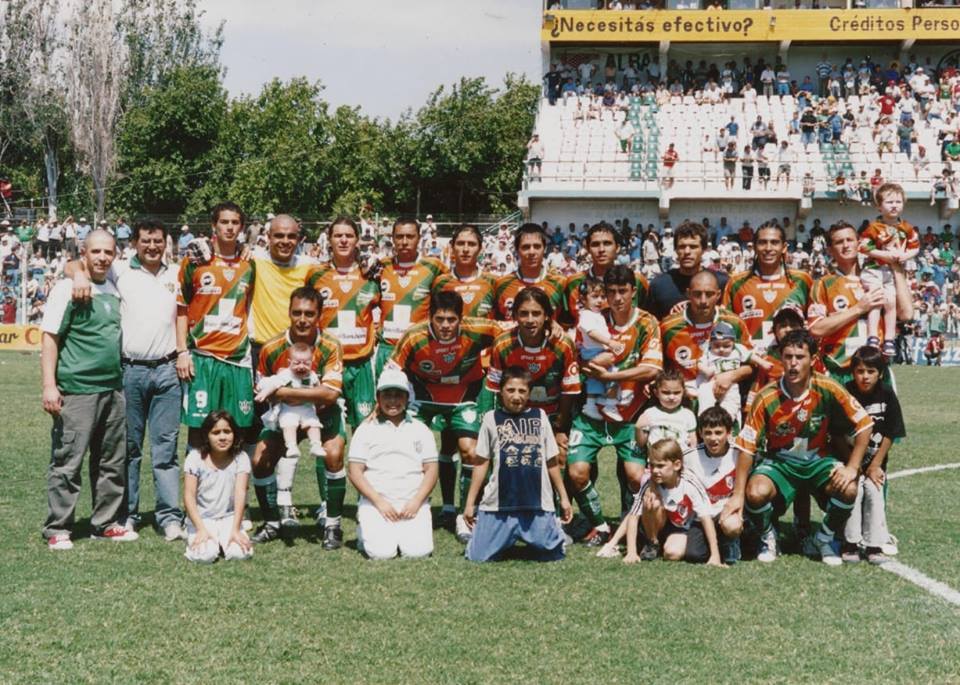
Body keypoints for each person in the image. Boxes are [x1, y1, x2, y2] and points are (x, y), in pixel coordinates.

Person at [65, 218, 185, 540]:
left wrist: (184, 351)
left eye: (158, 240)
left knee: (166, 449)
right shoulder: (120, 270)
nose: (152, 246)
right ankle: (127, 514)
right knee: (128, 450)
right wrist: (77, 273)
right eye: (145, 240)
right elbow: (76, 262)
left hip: (167, 371)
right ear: (134, 242)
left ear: (166, 242)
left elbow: (184, 313)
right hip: (130, 371)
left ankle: (169, 516)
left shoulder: (175, 274)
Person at [723, 330, 874, 566]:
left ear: (813, 359)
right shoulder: (766, 397)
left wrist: (852, 467)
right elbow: (747, 447)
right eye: (788, 356)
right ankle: (768, 536)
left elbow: (864, 424)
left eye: (800, 357)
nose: (793, 363)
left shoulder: (828, 387)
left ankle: (823, 539)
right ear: (781, 358)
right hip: (780, 463)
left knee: (849, 488)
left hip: (818, 461)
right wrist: (738, 495)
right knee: (755, 492)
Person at [41, 230, 137, 549]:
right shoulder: (68, 288)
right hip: (77, 389)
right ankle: (59, 527)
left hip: (112, 388)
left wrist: (80, 270)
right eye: (95, 252)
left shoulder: (114, 283)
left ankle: (105, 522)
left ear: (115, 255)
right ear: (84, 252)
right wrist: (49, 385)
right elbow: (50, 337)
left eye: (108, 252)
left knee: (111, 461)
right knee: (69, 459)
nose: (102, 258)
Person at [389, 290, 500, 543]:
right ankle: (413, 509)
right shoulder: (413, 336)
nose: (446, 326)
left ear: (462, 319)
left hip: (464, 395)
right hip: (425, 396)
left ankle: (466, 513)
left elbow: (515, 331)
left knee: (470, 451)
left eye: (452, 319)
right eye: (440, 319)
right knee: (409, 448)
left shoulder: (479, 329)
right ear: (430, 317)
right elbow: (392, 370)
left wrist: (554, 328)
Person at [566, 266, 662, 544]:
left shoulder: (647, 322)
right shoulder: (595, 319)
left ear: (634, 291)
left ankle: (638, 528)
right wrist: (588, 366)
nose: (617, 298)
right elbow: (575, 355)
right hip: (592, 414)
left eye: (623, 291)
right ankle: (600, 526)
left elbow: (652, 369)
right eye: (611, 292)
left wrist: (611, 376)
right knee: (577, 472)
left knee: (635, 476)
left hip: (630, 415)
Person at [250, 288, 344, 546]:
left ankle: (333, 525)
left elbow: (330, 396)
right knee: (259, 459)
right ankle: (272, 523)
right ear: (289, 313)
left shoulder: (331, 345)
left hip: (321, 415)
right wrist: (302, 394)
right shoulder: (271, 347)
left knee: (334, 453)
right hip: (284, 415)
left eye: (309, 314)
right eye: (297, 313)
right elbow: (262, 391)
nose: (303, 319)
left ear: (319, 315)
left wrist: (286, 391)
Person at [484, 288, 580, 525]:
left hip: (554, 414)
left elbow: (569, 391)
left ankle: (558, 515)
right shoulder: (503, 344)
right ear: (515, 315)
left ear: (547, 315)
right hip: (515, 416)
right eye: (523, 313)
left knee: (560, 457)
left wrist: (560, 427)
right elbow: (494, 390)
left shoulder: (563, 345)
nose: (530, 320)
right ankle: (499, 510)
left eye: (536, 313)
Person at [463, 366, 573, 562]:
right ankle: (500, 536)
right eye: (510, 390)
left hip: (536, 503)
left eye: (522, 391)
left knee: (553, 554)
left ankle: (552, 532)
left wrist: (563, 498)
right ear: (501, 391)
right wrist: (470, 503)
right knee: (477, 557)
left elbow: (551, 461)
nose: (516, 396)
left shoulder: (540, 417)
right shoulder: (491, 419)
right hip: (499, 504)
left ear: (529, 393)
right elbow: (481, 463)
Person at [177, 202, 256, 452]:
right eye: (224, 222)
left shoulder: (249, 264)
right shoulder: (195, 261)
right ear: (214, 225)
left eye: (235, 222)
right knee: (199, 433)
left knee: (237, 433)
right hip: (203, 358)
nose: (229, 227)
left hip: (237, 360)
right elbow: (181, 309)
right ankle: (195, 491)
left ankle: (235, 491)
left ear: (241, 227)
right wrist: (182, 352)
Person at [348, 368, 438, 560]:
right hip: (377, 503)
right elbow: (355, 471)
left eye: (398, 395)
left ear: (407, 398)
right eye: (387, 395)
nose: (393, 401)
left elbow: (431, 470)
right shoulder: (365, 429)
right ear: (378, 398)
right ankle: (364, 530)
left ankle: (399, 532)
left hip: (412, 503)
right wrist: (379, 502)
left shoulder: (421, 429)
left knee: (418, 553)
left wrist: (416, 502)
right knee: (382, 554)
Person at [809, 222, 912, 383]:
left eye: (850, 240)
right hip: (840, 372)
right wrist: (858, 309)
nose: (846, 245)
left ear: (859, 243)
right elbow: (816, 329)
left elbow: (906, 314)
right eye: (839, 242)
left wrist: (895, 267)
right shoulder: (824, 284)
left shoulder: (880, 277)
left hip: (876, 372)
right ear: (829, 250)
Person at [842, 347, 905, 565]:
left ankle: (874, 544)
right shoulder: (846, 392)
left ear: (880, 373)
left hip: (875, 461)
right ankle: (850, 542)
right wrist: (853, 464)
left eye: (871, 371)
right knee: (855, 489)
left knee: (874, 488)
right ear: (852, 372)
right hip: (850, 460)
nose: (865, 376)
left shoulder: (887, 394)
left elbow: (891, 432)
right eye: (860, 371)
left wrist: (875, 464)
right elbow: (837, 433)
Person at [623, 438, 723, 566]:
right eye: (652, 465)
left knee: (673, 554)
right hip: (661, 524)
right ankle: (652, 542)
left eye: (660, 466)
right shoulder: (650, 483)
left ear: (677, 465)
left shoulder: (690, 483)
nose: (654, 471)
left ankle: (667, 544)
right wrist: (631, 552)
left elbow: (706, 518)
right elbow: (633, 516)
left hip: (684, 527)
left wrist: (715, 556)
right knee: (652, 502)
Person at [374, 217, 448, 378]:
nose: (404, 241)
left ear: (419, 238)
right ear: (392, 238)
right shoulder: (381, 266)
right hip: (388, 348)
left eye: (410, 236)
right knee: (385, 402)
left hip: (419, 348)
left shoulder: (434, 267)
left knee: (418, 402)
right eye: (399, 237)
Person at [660, 270, 752, 397]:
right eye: (697, 294)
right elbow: (658, 368)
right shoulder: (668, 327)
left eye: (709, 294)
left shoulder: (734, 323)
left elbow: (751, 365)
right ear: (688, 294)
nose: (703, 300)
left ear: (718, 295)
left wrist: (731, 376)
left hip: (723, 401)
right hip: (682, 403)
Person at [722, 222, 812, 350]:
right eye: (762, 242)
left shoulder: (802, 280)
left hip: (791, 364)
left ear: (784, 247)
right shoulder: (736, 283)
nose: (768, 248)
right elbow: (727, 328)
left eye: (774, 242)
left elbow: (814, 325)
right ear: (754, 247)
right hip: (752, 366)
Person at [182, 410, 253, 563]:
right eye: (216, 432)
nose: (222, 437)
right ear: (207, 435)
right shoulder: (195, 458)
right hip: (203, 519)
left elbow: (241, 493)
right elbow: (189, 495)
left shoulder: (241, 458)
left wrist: (235, 529)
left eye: (227, 432)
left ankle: (226, 539)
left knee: (239, 554)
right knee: (204, 555)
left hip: (229, 518)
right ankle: (201, 537)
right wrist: (200, 529)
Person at [859, 184, 920, 357]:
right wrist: (885, 255)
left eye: (898, 202)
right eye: (889, 202)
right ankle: (872, 337)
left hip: (891, 272)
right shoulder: (873, 227)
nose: (894, 205)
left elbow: (915, 247)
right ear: (879, 206)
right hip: (874, 269)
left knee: (891, 303)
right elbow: (864, 248)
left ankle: (889, 338)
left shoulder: (907, 228)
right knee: (876, 301)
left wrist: (904, 255)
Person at [682, 407, 743, 563]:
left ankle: (733, 540)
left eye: (718, 432)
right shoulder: (689, 456)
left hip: (728, 513)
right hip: (702, 517)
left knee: (732, 525)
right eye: (708, 433)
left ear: (728, 433)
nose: (713, 438)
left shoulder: (739, 454)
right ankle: (716, 543)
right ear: (700, 433)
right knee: (694, 555)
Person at [560, 221, 648, 328]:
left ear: (617, 248)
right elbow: (566, 325)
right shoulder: (573, 283)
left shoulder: (637, 281)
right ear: (587, 249)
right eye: (595, 244)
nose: (601, 250)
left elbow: (646, 321)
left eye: (607, 243)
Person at [255, 340, 329, 463]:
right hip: (289, 408)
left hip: (306, 407)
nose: (301, 366)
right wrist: (264, 393)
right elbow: (274, 384)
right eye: (297, 363)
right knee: (289, 425)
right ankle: (291, 446)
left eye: (306, 363)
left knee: (313, 424)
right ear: (289, 363)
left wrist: (318, 397)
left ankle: (316, 445)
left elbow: (318, 386)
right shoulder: (286, 374)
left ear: (312, 363)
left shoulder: (312, 375)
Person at [694, 322, 771, 426]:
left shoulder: (738, 349)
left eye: (726, 346)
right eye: (716, 346)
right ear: (711, 343)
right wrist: (706, 370)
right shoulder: (708, 351)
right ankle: (704, 419)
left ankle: (728, 421)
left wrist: (763, 363)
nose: (721, 349)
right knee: (704, 394)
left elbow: (751, 356)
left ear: (733, 343)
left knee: (732, 401)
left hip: (731, 384)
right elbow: (699, 363)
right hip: (710, 382)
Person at [647, 221, 728, 319]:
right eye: (682, 247)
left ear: (704, 249)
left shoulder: (721, 283)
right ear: (675, 250)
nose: (687, 252)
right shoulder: (659, 285)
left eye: (693, 247)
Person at [576, 276, 626, 422]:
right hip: (593, 351)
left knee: (595, 380)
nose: (599, 301)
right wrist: (610, 342)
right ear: (583, 299)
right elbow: (592, 333)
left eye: (602, 297)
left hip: (596, 350)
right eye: (595, 297)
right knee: (615, 373)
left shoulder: (596, 314)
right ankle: (610, 404)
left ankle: (591, 405)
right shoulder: (586, 315)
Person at [493, 223, 565, 322]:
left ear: (544, 249)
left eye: (537, 246)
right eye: (526, 247)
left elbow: (565, 325)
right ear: (517, 250)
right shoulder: (501, 284)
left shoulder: (559, 283)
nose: (532, 252)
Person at [634, 369, 698, 459]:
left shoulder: (688, 415)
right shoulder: (650, 414)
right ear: (656, 393)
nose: (671, 397)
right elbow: (641, 443)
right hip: (658, 463)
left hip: (682, 462)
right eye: (666, 392)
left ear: (683, 392)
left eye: (676, 393)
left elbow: (693, 443)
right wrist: (638, 428)